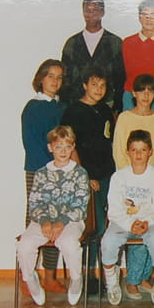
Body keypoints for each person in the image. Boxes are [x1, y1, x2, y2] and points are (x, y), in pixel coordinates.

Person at [112, 74, 154, 295]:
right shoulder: (125, 118)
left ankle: (144, 276)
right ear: (134, 93)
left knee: (153, 228)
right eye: (141, 90)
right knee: (137, 227)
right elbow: (119, 151)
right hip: (133, 181)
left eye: (150, 90)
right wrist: (130, 176)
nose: (146, 95)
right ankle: (132, 279)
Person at [16, 125, 90, 306]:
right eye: (58, 147)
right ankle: (30, 278)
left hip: (71, 221)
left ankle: (76, 279)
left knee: (69, 243)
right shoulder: (41, 173)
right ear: (50, 148)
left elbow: (80, 205)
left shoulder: (80, 173)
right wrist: (44, 221)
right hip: (43, 221)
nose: (63, 151)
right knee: (25, 245)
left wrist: (61, 223)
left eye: (67, 147)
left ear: (73, 147)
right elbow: (35, 202)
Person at [60, 66, 116, 293]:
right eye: (94, 85)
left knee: (106, 228)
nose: (99, 89)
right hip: (88, 178)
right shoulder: (73, 112)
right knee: (93, 226)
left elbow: (109, 141)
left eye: (102, 85)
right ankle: (87, 275)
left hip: (107, 175)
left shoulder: (105, 110)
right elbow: (71, 147)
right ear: (84, 85)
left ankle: (104, 275)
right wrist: (86, 176)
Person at [101, 129, 154, 306]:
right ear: (127, 152)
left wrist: (147, 222)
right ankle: (112, 281)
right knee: (108, 241)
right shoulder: (118, 177)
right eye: (134, 150)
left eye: (143, 150)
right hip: (123, 222)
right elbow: (114, 210)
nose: (138, 154)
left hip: (149, 222)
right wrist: (130, 224)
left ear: (150, 152)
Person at [22, 59, 67, 293]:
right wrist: (49, 168)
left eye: (59, 77)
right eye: (51, 76)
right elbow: (31, 142)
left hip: (61, 171)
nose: (55, 81)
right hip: (38, 170)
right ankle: (26, 276)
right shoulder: (33, 107)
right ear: (41, 79)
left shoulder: (61, 107)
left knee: (56, 221)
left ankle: (50, 276)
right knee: (36, 220)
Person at [61, 0, 125, 111]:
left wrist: (117, 107)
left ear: (102, 12)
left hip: (107, 105)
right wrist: (65, 107)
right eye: (87, 10)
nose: (91, 14)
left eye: (95, 10)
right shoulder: (72, 43)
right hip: (76, 105)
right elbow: (65, 80)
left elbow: (120, 80)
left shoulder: (115, 43)